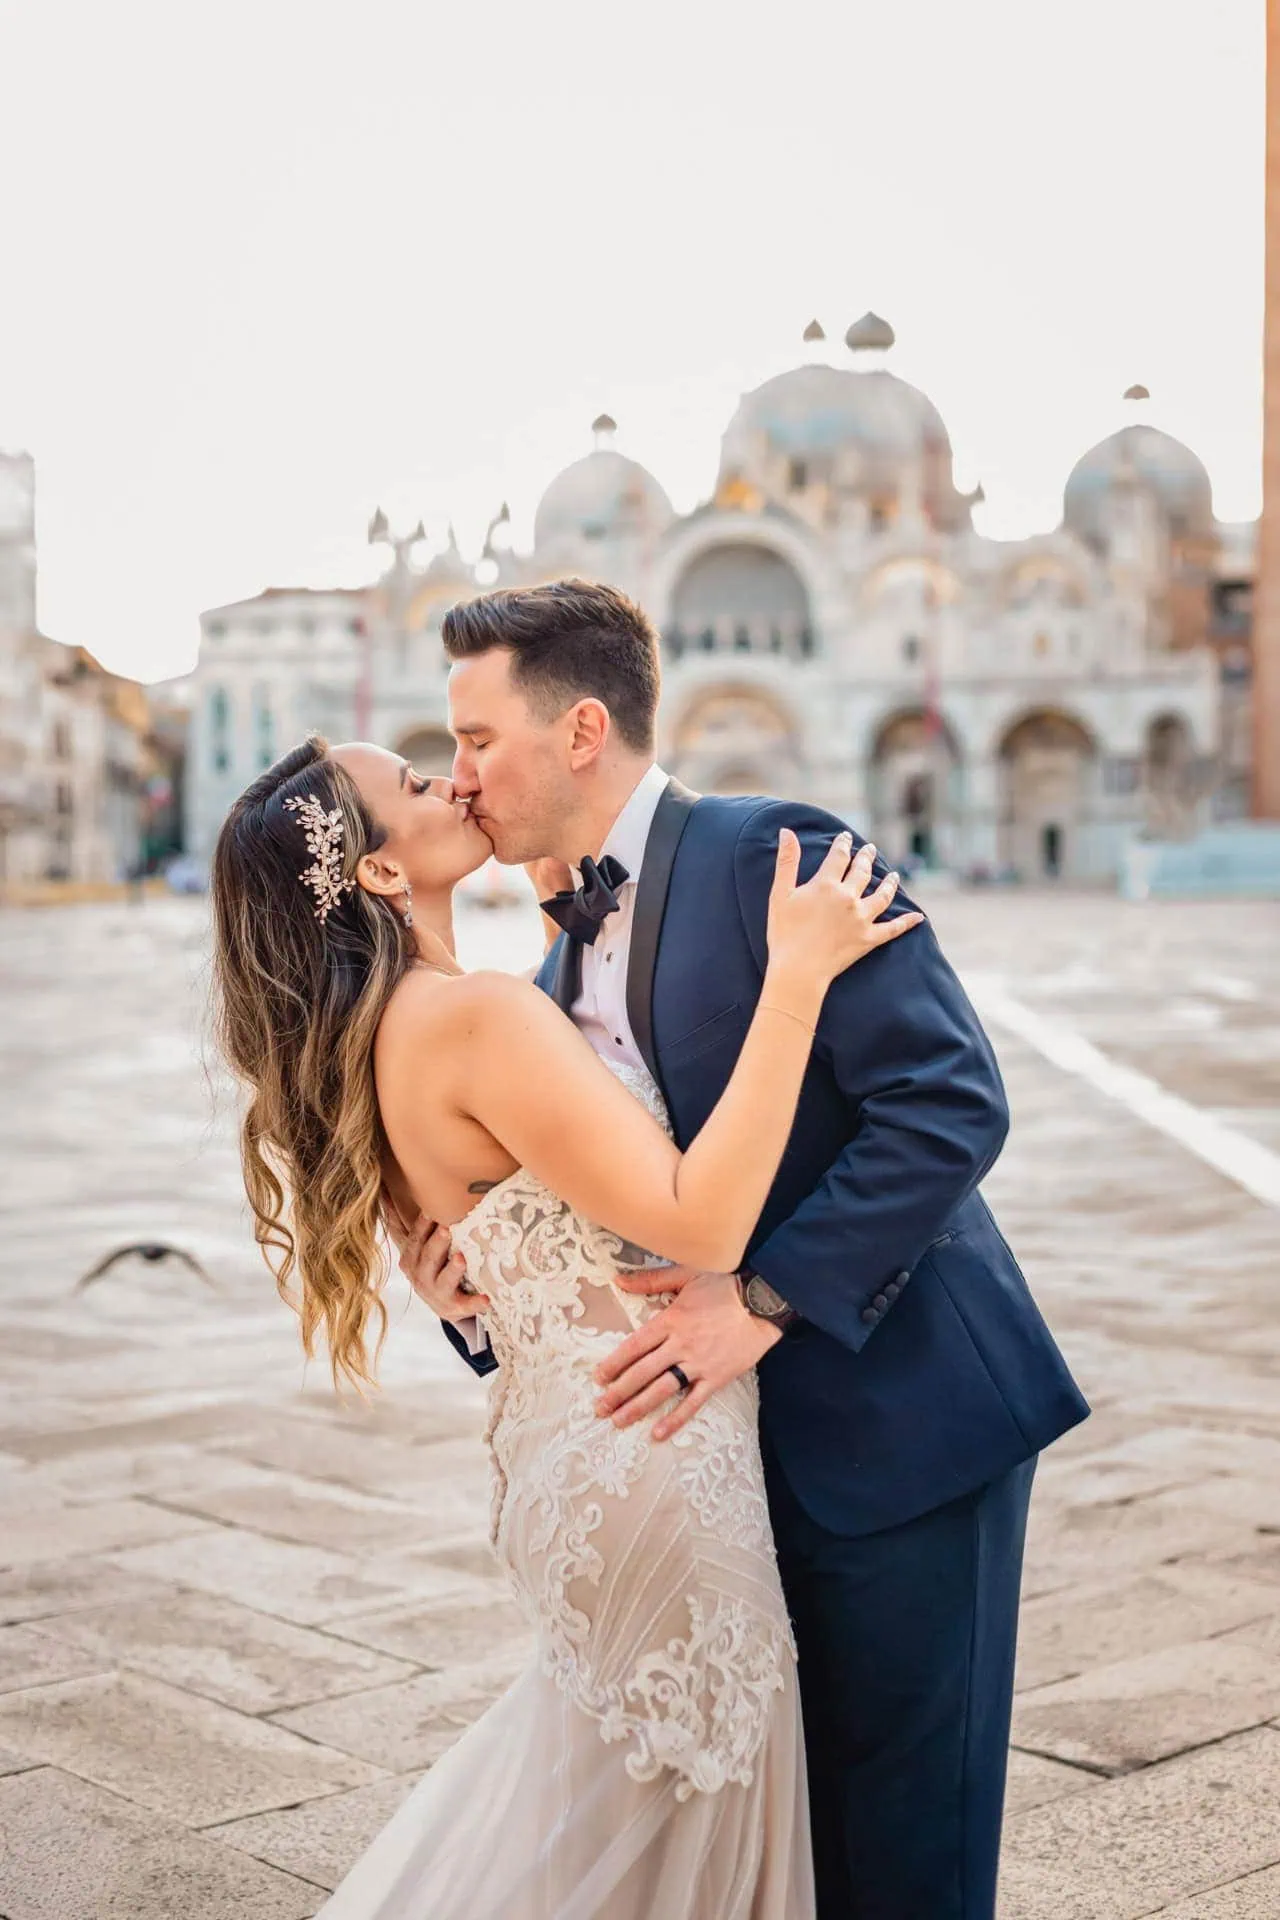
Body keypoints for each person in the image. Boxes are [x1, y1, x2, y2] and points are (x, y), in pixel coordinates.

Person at [398, 578, 1090, 1920]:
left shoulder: (773, 848)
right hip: (724, 1484)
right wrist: (473, 1300)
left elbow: (948, 1103)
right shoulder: (543, 982)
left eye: (479, 739)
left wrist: (762, 1301)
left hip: (903, 1432)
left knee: (908, 1857)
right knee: (803, 1862)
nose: (462, 776)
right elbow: (600, 1224)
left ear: (581, 730)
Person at [209, 728, 920, 1920]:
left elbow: (511, 1226)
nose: (456, 778)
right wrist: (794, 979)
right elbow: (698, 1219)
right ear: (381, 872)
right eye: (420, 783)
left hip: (574, 1452)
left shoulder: (381, 1037)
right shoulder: (472, 1018)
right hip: (651, 1451)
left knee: (613, 1838)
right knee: (678, 1859)